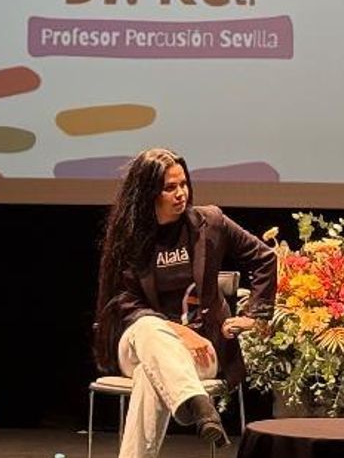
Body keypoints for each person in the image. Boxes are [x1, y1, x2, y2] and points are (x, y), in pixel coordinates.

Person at [93, 147, 276, 458]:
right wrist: (177, 331)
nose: (181, 194)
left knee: (151, 376)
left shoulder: (210, 223)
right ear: (148, 192)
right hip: (139, 345)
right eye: (169, 187)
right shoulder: (130, 238)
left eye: (183, 184)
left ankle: (192, 403)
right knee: (149, 329)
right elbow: (122, 301)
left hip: (200, 350)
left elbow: (264, 258)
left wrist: (255, 315)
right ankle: (198, 404)